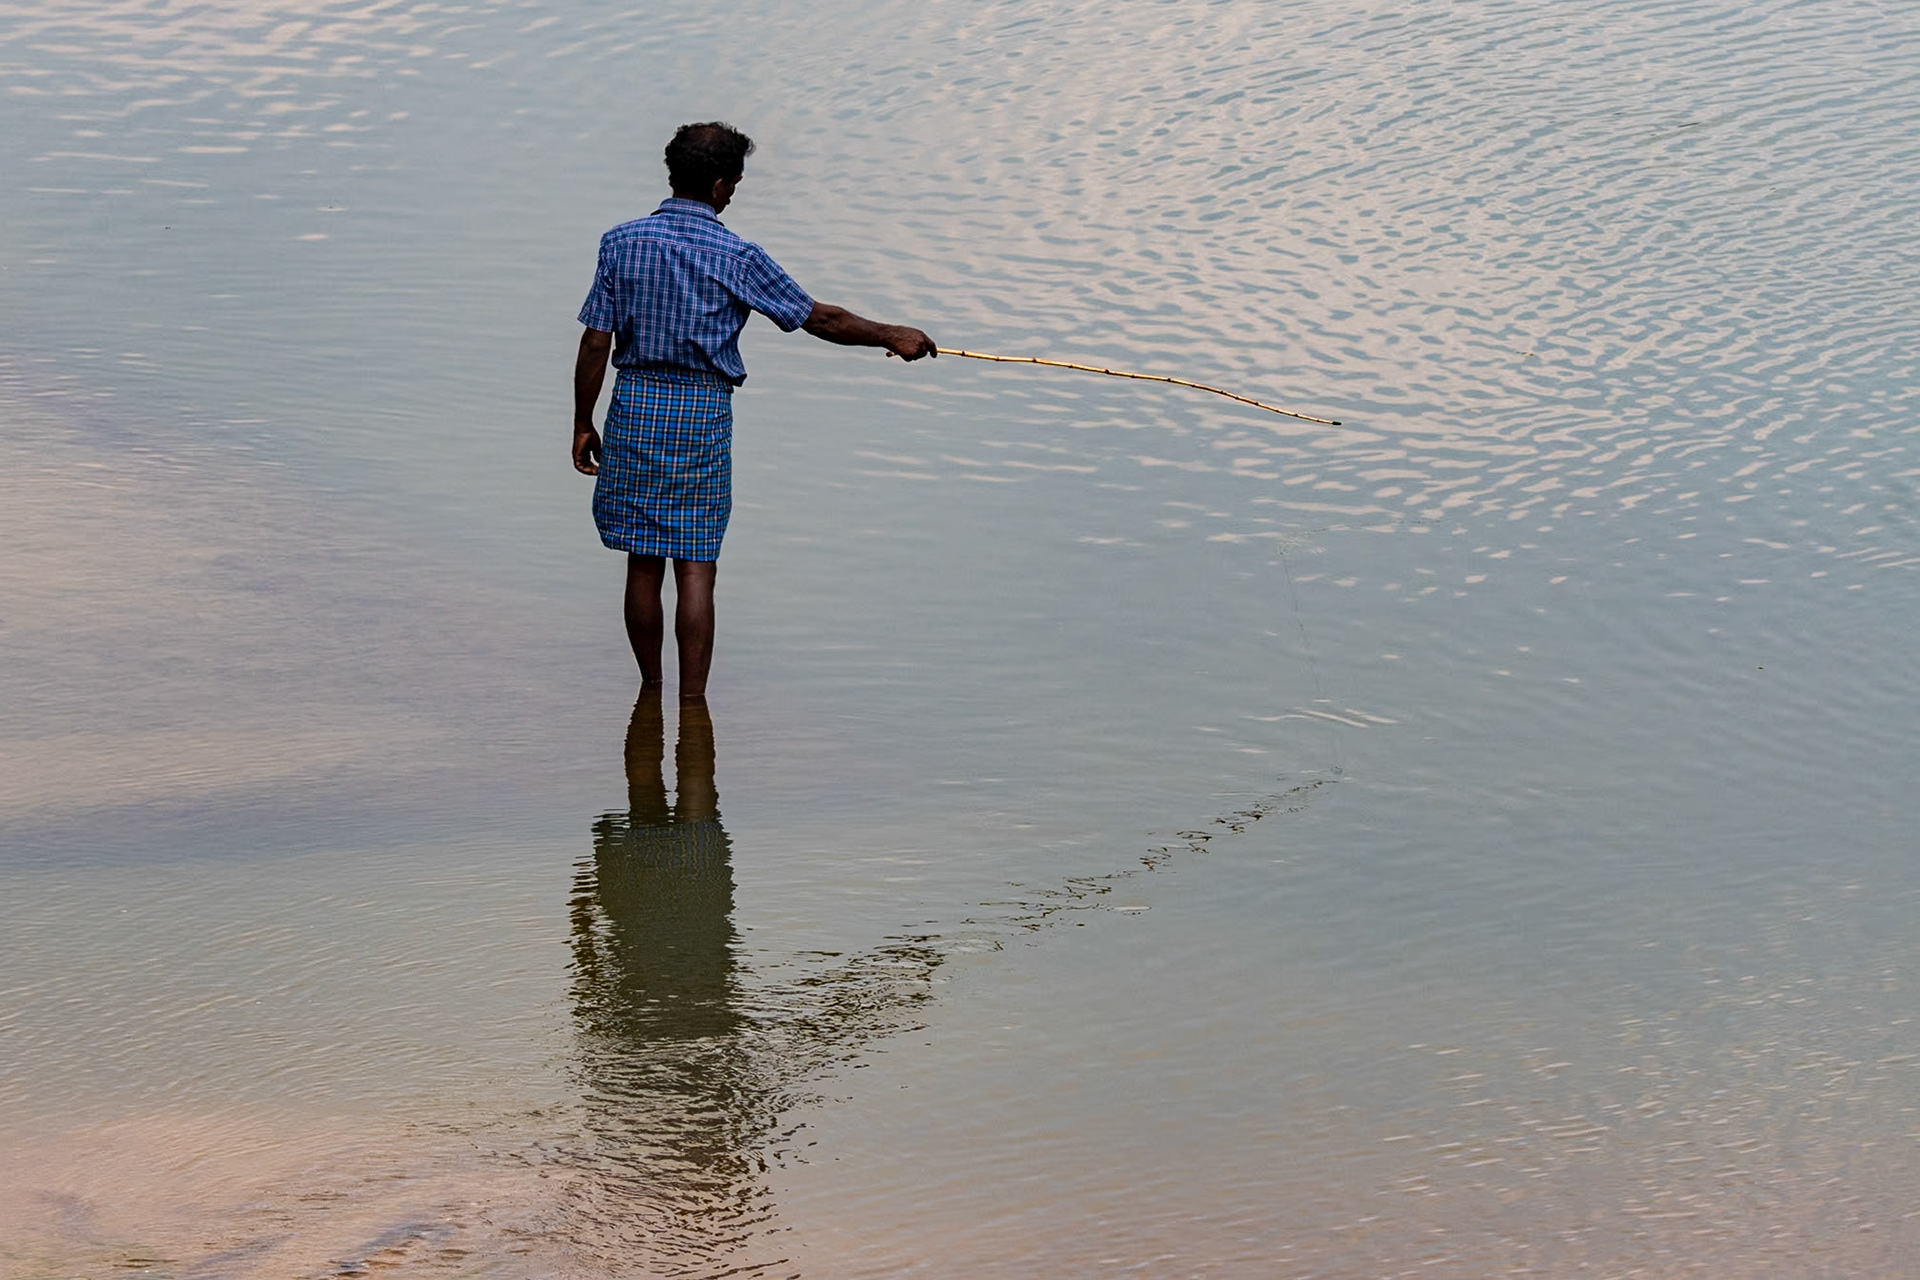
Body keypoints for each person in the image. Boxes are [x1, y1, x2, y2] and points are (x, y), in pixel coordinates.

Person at [572, 121, 937, 700]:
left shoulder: (620, 243)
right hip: (700, 412)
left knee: (642, 561)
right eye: (735, 183)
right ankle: (693, 704)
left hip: (635, 403)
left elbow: (596, 341)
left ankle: (649, 689)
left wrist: (582, 421)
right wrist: (891, 333)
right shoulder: (738, 255)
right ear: (720, 186)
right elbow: (819, 319)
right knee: (695, 563)